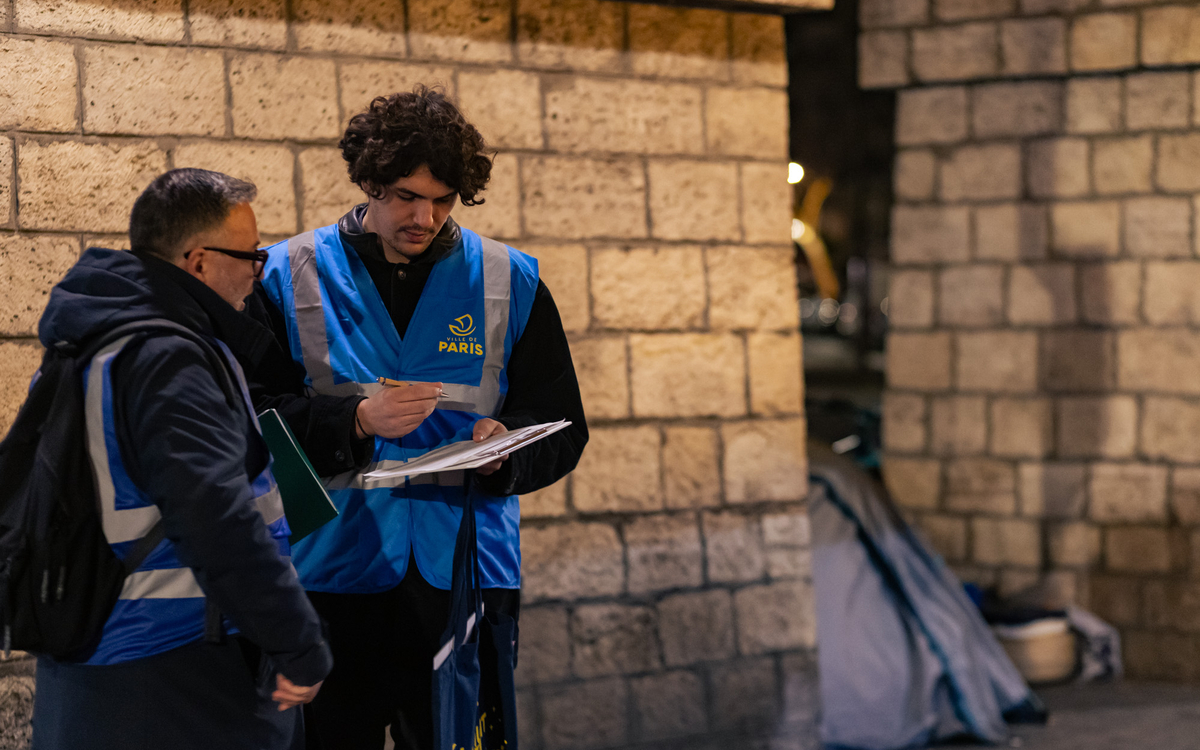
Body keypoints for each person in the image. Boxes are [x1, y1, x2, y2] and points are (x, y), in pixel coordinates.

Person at [248, 86, 588, 750]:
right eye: (405, 195)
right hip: (329, 572)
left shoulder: (508, 279)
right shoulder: (288, 275)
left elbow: (560, 421)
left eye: (441, 200)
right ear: (368, 182)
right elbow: (251, 420)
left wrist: (507, 450)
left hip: (465, 572)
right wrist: (355, 423)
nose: (424, 216)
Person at [30, 169, 331, 750]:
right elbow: (215, 512)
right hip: (172, 664)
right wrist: (297, 642)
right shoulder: (169, 356)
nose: (256, 272)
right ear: (197, 262)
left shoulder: (100, 336)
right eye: (250, 256)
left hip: (102, 652)